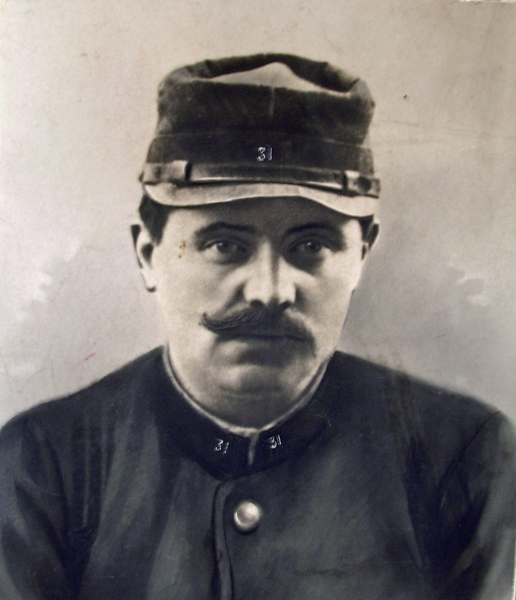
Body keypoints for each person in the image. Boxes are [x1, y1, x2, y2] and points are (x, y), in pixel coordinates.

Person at [0, 53, 515, 600]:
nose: (270, 291)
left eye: (310, 245)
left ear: (362, 256)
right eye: (225, 245)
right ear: (149, 254)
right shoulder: (41, 467)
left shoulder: (467, 462)